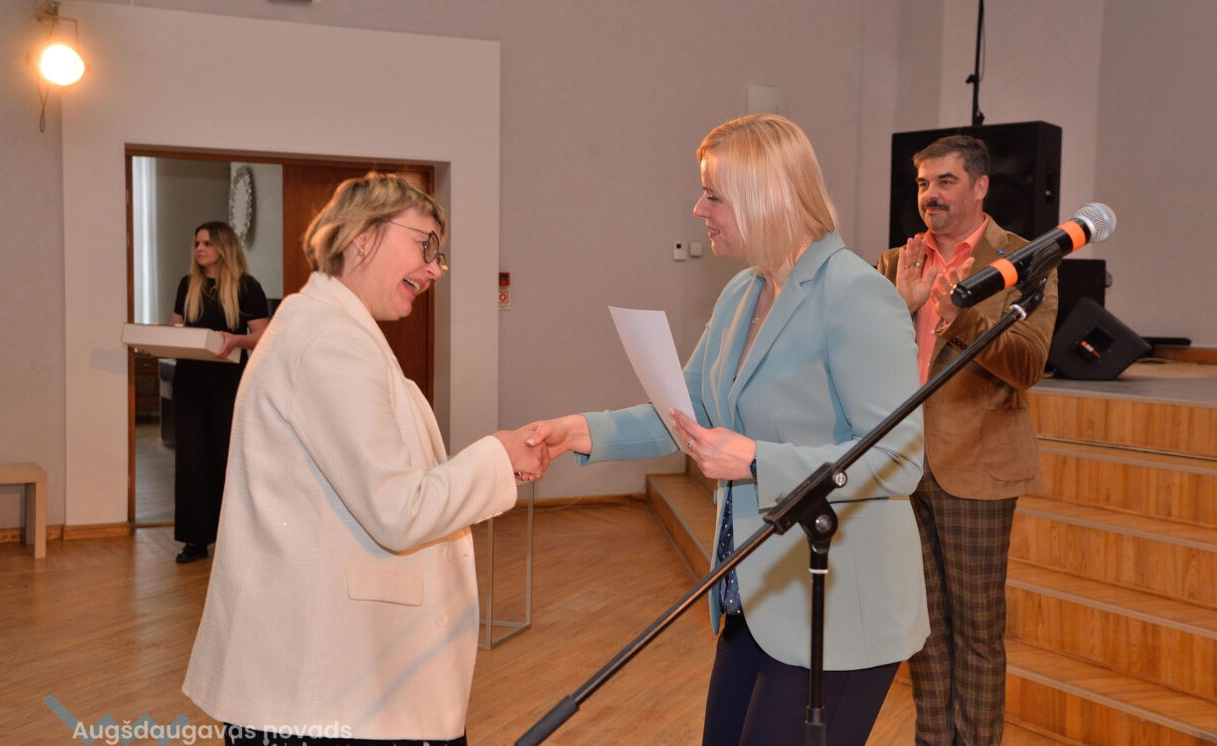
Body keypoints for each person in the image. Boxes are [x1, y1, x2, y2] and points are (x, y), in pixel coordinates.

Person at [526, 114, 928, 745]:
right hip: (757, 595)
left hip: (837, 611)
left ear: (764, 197)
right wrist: (578, 432)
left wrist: (759, 461)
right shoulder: (743, 293)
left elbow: (899, 458)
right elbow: (687, 411)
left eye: (713, 196)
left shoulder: (855, 294)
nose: (699, 209)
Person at [182, 173, 549, 746]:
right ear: (361, 236)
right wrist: (497, 457)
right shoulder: (329, 340)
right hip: (324, 695)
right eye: (425, 245)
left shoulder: (325, 327)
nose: (435, 269)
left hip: (329, 682)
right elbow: (398, 509)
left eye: (440, 255)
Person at [876, 135, 1057, 746]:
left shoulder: (1025, 259)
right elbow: (866, 362)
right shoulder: (896, 262)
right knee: (923, 631)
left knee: (977, 633)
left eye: (945, 181)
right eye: (923, 184)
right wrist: (901, 310)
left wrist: (965, 318)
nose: (930, 195)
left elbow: (1027, 365)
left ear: (980, 187)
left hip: (977, 466)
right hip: (903, 466)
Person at [171, 221, 269, 564]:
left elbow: (263, 336)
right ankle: (195, 539)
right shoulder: (187, 284)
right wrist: (156, 343)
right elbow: (177, 330)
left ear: (224, 247)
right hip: (190, 381)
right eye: (197, 243)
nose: (200, 249)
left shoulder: (247, 287)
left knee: (227, 456)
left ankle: (235, 539)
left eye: (208, 243)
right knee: (191, 459)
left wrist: (235, 340)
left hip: (228, 382)